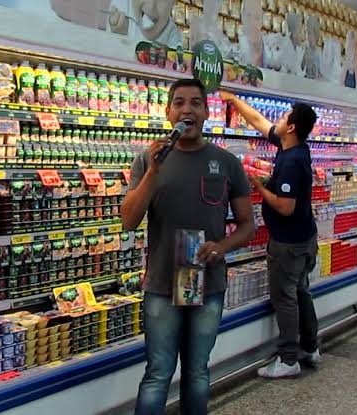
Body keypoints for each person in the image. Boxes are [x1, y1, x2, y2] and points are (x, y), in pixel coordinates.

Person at [122, 79, 255, 414]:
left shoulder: (227, 163)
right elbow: (128, 220)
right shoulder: (147, 159)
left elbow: (247, 224)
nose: (187, 109)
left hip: (207, 283)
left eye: (196, 103)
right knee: (158, 373)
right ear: (168, 112)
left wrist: (222, 247)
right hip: (162, 284)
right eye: (179, 102)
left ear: (207, 112)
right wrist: (154, 169)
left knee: (197, 372)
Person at [219, 91, 320, 378]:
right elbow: (258, 121)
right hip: (304, 238)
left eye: (284, 116)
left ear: (291, 127)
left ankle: (289, 359)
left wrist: (259, 188)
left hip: (289, 243)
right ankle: (310, 346)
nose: (278, 118)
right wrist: (232, 100)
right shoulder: (293, 146)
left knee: (285, 297)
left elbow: (286, 207)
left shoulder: (291, 161)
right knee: (301, 290)